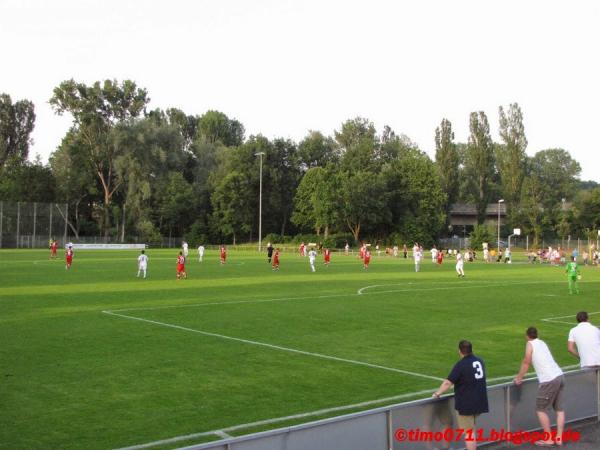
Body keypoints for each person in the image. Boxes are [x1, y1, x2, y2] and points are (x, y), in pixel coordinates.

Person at [432, 340, 488, 450]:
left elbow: (448, 382)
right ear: (472, 350)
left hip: (467, 404)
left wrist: (438, 393)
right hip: (480, 401)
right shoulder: (480, 361)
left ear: (460, 351)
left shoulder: (461, 364)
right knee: (471, 429)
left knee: (469, 433)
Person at [514, 327, 565, 447]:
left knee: (541, 410)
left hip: (549, 380)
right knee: (559, 410)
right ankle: (559, 438)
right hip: (560, 375)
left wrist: (519, 378)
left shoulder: (529, 344)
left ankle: (548, 439)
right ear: (537, 334)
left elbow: (527, 361)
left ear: (527, 336)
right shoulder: (542, 342)